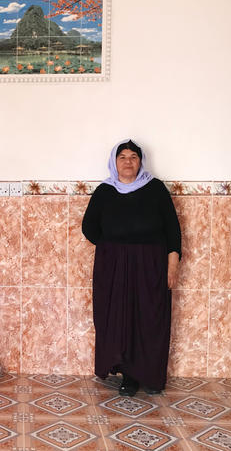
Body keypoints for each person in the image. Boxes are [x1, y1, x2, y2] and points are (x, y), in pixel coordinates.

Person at [82, 139, 180, 396]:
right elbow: (89, 227)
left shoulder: (155, 189)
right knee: (119, 319)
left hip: (150, 266)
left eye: (133, 157)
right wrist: (112, 249)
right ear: (115, 162)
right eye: (122, 157)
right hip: (113, 267)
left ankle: (150, 375)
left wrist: (172, 263)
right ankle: (128, 376)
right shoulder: (105, 191)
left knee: (149, 317)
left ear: (141, 161)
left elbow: (172, 229)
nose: (128, 162)